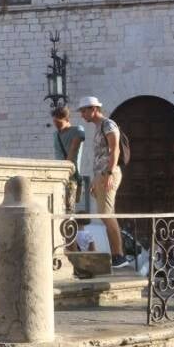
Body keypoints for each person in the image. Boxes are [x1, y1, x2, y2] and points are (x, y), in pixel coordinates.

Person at [78, 96, 128, 268]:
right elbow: (100, 156)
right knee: (105, 214)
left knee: (106, 214)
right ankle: (116, 255)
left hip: (109, 173)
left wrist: (108, 173)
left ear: (94, 109)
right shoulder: (99, 127)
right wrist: (95, 179)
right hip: (101, 175)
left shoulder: (108, 124)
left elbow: (115, 149)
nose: (82, 115)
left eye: (84, 110)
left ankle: (119, 256)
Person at [51, 105, 85, 213]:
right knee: (58, 209)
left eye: (59, 123)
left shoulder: (77, 130)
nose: (56, 125)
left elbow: (74, 149)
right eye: (54, 122)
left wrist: (65, 172)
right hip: (58, 176)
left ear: (67, 119)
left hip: (71, 176)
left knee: (69, 209)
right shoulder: (55, 134)